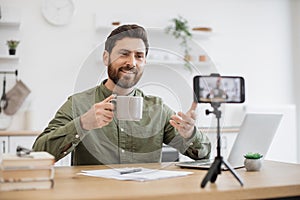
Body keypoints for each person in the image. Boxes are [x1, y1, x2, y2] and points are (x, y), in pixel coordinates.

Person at [32, 24, 211, 165]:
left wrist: (190, 134)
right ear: (106, 58)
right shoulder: (78, 104)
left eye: (139, 56)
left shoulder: (158, 108)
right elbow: (39, 152)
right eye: (124, 54)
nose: (131, 62)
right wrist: (83, 124)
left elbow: (203, 155)